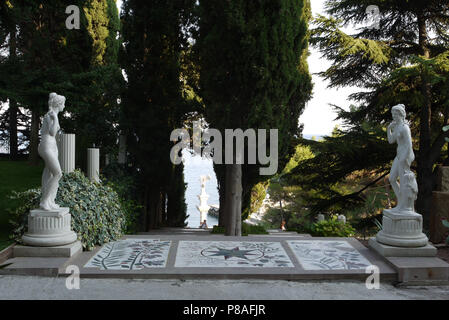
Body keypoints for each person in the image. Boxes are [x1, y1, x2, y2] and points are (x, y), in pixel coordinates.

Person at [38, 93, 65, 211]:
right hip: (46, 146)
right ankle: (44, 201)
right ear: (58, 104)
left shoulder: (52, 114)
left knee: (49, 173)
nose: (64, 106)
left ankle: (49, 201)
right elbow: (52, 132)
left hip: (52, 146)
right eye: (63, 104)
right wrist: (56, 118)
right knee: (58, 173)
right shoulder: (50, 115)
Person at [387, 104, 415, 211]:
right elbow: (391, 140)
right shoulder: (397, 126)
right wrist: (389, 129)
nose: (394, 116)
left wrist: (404, 159)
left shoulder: (405, 128)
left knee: (404, 181)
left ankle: (404, 206)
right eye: (393, 114)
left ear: (401, 115)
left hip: (405, 156)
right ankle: (401, 202)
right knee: (392, 179)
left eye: (396, 114)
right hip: (399, 156)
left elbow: (409, 145)